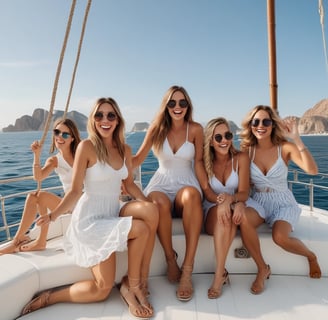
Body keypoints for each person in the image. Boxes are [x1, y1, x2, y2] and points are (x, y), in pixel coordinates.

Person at [21, 97, 159, 318]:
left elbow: (130, 184)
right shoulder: (87, 146)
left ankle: (133, 286)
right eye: (99, 115)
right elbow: (75, 191)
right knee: (102, 290)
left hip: (110, 214)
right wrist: (53, 216)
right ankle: (50, 297)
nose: (105, 120)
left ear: (117, 120)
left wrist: (147, 202)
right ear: (93, 120)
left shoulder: (124, 149)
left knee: (145, 223)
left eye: (110, 115)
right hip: (90, 221)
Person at [239, 105, 322, 294]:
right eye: (256, 122)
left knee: (280, 237)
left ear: (272, 125)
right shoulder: (246, 150)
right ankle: (262, 268)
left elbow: (313, 170)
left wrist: (297, 139)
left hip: (282, 202)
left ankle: (310, 256)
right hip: (258, 200)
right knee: (242, 218)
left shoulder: (285, 148)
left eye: (266, 121)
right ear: (251, 125)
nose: (261, 125)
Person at [132, 85, 204, 302]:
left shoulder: (196, 129)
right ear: (166, 106)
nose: (177, 107)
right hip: (160, 182)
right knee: (159, 203)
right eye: (172, 103)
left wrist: (208, 190)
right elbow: (137, 159)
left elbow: (199, 162)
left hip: (187, 182)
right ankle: (171, 259)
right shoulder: (156, 128)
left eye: (182, 103)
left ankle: (188, 270)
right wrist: (114, 165)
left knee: (192, 196)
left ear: (188, 106)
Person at [202, 117, 264, 298]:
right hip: (213, 206)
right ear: (211, 142)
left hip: (239, 201)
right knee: (224, 215)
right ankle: (220, 273)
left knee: (229, 215)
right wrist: (224, 202)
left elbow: (244, 191)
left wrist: (234, 201)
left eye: (227, 135)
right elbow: (207, 194)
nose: (224, 141)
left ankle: (219, 275)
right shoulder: (205, 163)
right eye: (218, 137)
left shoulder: (241, 158)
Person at [0, 118, 81, 254]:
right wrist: (36, 156)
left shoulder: (82, 155)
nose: (60, 137)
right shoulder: (55, 160)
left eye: (65, 134)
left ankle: (37, 241)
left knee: (39, 197)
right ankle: (20, 240)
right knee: (34, 196)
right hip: (69, 205)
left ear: (72, 138)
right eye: (57, 132)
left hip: (85, 202)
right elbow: (39, 177)